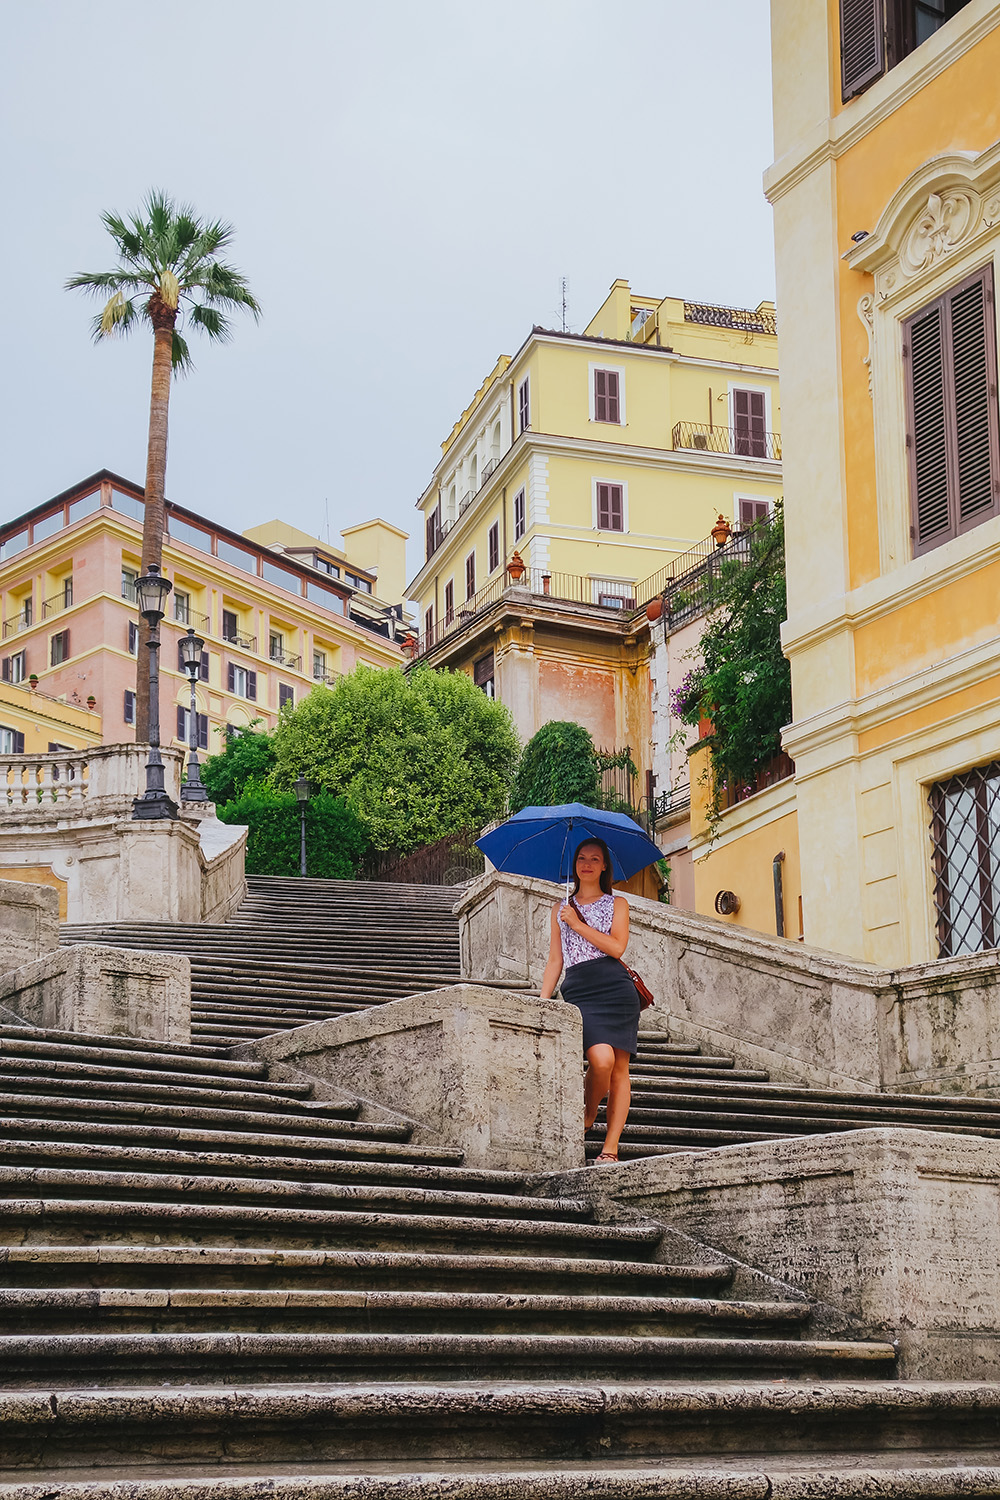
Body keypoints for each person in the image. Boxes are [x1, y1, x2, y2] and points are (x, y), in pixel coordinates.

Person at [539, 837, 639, 1164]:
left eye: (595, 859)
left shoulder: (617, 905)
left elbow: (616, 948)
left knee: (619, 1068)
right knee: (601, 1061)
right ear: (575, 864)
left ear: (604, 866)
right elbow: (556, 960)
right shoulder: (560, 909)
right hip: (580, 988)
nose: (587, 864)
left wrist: (578, 924)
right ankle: (589, 1107)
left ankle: (610, 1148)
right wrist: (542, 1002)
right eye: (582, 858)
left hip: (616, 988)